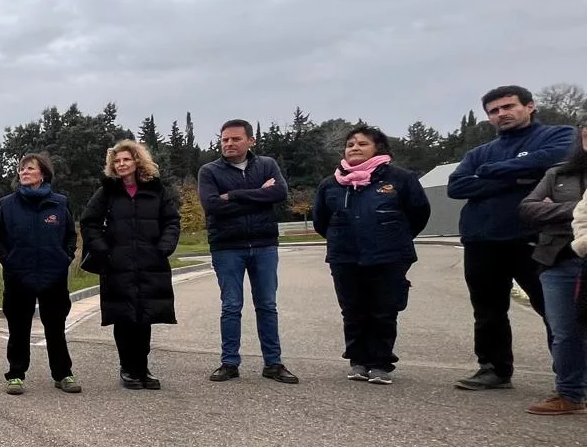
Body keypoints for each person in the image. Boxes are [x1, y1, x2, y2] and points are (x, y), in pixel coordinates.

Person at [447, 85, 574, 390]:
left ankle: (570, 373)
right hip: (483, 241)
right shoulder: (478, 153)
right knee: (488, 311)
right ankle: (494, 368)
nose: (501, 114)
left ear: (530, 106)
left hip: (536, 238)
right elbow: (457, 186)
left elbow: (556, 158)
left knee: (554, 309)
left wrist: (491, 172)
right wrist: (518, 179)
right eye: (494, 110)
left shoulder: (558, 136)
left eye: (508, 106)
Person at [312, 125, 431, 385]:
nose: (354, 148)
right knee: (353, 309)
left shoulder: (400, 179)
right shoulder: (331, 184)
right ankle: (358, 361)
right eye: (350, 144)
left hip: (389, 255)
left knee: (384, 309)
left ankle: (380, 363)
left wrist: (393, 236)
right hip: (345, 256)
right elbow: (321, 221)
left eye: (362, 143)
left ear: (378, 148)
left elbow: (418, 213)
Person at [197, 119, 299, 383]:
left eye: (235, 139)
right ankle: (229, 363)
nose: (229, 144)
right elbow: (212, 206)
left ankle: (273, 364)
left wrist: (232, 195)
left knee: (267, 305)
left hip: (264, 245)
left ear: (250, 141)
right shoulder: (209, 171)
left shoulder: (267, 165)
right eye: (224, 140)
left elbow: (279, 194)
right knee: (231, 306)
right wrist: (257, 196)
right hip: (227, 247)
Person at [79, 140, 181, 390]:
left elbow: (172, 221)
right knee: (124, 318)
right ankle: (128, 368)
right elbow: (89, 222)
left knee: (145, 317)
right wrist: (103, 250)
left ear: (137, 161)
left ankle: (142, 367)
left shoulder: (156, 189)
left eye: (126, 159)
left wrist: (163, 248)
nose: (121, 164)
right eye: (117, 160)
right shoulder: (108, 191)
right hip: (118, 264)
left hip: (149, 263)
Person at [0, 152, 81, 395]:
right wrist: (8, 262)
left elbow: (70, 236)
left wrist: (65, 258)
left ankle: (63, 374)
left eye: (30, 168)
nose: (24, 172)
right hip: (18, 275)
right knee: (18, 328)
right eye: (21, 169)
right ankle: (16, 375)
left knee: (55, 327)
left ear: (43, 174)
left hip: (54, 275)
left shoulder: (60, 203)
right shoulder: (7, 204)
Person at [520, 122, 587, 413]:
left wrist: (555, 210)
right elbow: (529, 208)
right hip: (558, 258)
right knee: (564, 331)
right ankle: (570, 394)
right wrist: (578, 208)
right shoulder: (559, 173)